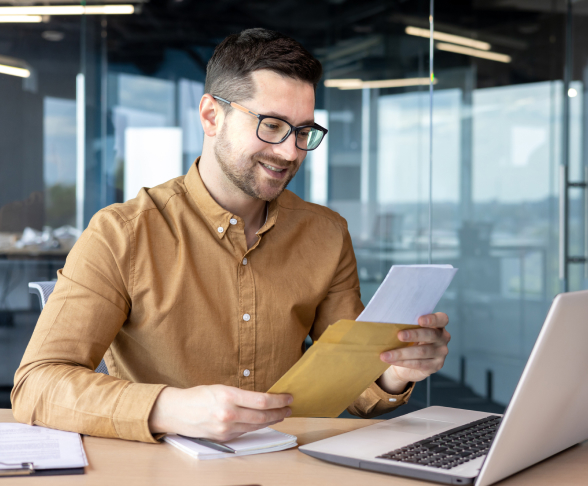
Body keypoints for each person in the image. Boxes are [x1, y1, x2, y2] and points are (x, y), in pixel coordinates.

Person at [12, 28, 450, 444]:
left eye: (302, 132)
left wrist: (396, 370)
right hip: (162, 471)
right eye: (272, 125)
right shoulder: (122, 233)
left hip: (285, 465)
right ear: (211, 116)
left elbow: (348, 377)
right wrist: (170, 408)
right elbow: (37, 383)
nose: (290, 151)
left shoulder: (326, 233)